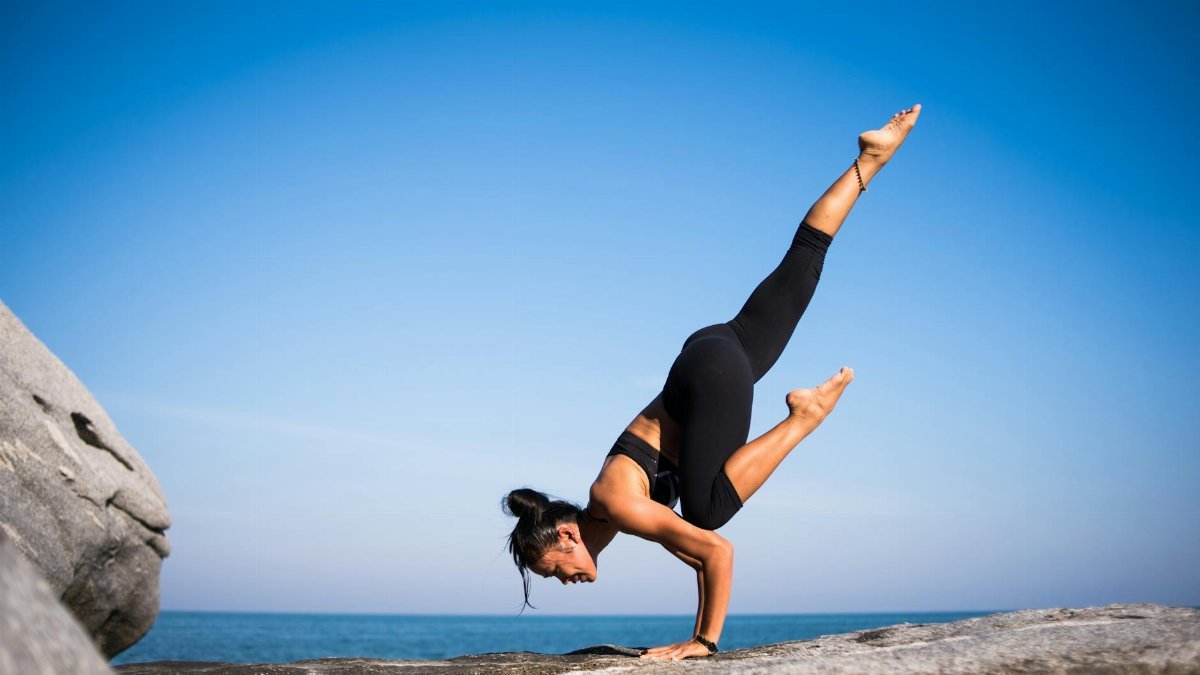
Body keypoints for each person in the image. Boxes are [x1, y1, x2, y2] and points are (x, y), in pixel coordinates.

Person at [501, 104, 922, 661]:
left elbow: (715, 551)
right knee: (802, 263)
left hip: (712, 377)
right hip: (712, 352)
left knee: (706, 511)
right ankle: (871, 159)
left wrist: (702, 642)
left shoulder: (616, 504)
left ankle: (803, 417)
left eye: (552, 571)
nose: (561, 581)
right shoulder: (611, 509)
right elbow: (695, 554)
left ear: (566, 537)